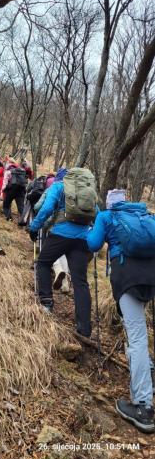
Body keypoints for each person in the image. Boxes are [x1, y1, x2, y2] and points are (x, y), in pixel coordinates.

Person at [87, 189, 155, 433]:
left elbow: (94, 244)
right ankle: (147, 373)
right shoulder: (145, 215)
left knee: (136, 336)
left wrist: (90, 232)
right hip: (150, 276)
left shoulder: (106, 216)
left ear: (109, 203)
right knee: (139, 331)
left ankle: (144, 407)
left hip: (127, 277)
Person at [29, 168, 95, 338]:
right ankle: (84, 327)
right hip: (82, 239)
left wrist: (34, 228)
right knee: (81, 281)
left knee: (43, 263)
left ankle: (47, 302)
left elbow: (46, 209)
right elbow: (98, 213)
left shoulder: (59, 187)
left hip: (60, 234)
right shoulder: (89, 190)